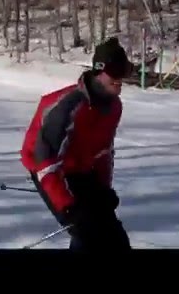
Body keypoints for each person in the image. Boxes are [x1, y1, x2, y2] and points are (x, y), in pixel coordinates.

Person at [20, 37, 133, 251]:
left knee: (115, 239)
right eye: (115, 73)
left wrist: (103, 191)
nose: (120, 79)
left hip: (81, 168)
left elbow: (103, 153)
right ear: (99, 71)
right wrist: (68, 208)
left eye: (124, 72)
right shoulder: (66, 107)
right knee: (86, 232)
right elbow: (44, 162)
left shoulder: (113, 106)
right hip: (48, 167)